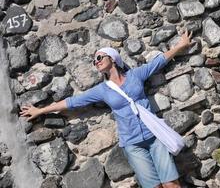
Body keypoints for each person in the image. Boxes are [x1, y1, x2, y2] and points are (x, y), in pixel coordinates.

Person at [20, 30, 193, 188]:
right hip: (132, 143)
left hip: (154, 136)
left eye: (100, 57)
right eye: (95, 61)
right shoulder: (102, 90)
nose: (96, 62)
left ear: (113, 58)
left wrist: (180, 45)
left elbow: (158, 62)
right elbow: (72, 101)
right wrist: (40, 110)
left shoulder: (135, 75)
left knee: (172, 185)